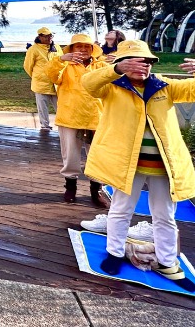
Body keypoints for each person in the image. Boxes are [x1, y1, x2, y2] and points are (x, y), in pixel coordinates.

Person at [82, 40, 195, 291]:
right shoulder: (111, 87)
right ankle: (114, 253)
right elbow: (87, 84)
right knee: (121, 210)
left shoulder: (165, 86)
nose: (140, 66)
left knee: (165, 216)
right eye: (132, 61)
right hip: (127, 166)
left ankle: (167, 263)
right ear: (121, 63)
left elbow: (193, 90)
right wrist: (115, 70)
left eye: (144, 61)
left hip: (164, 167)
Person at [46, 34, 109, 205]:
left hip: (96, 116)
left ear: (92, 49)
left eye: (86, 46)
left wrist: (117, 64)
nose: (83, 50)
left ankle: (96, 190)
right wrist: (60, 59)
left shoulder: (102, 65)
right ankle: (70, 187)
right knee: (71, 155)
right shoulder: (64, 66)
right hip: (70, 116)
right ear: (72, 49)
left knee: (98, 156)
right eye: (78, 46)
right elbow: (51, 75)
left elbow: (114, 82)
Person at [23, 27, 63, 130]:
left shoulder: (56, 47)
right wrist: (37, 76)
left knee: (61, 107)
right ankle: (45, 127)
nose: (49, 38)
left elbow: (63, 62)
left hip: (56, 83)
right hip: (40, 84)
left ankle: (62, 126)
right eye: (46, 36)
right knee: (42, 108)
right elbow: (28, 66)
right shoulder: (33, 49)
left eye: (50, 35)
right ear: (40, 37)